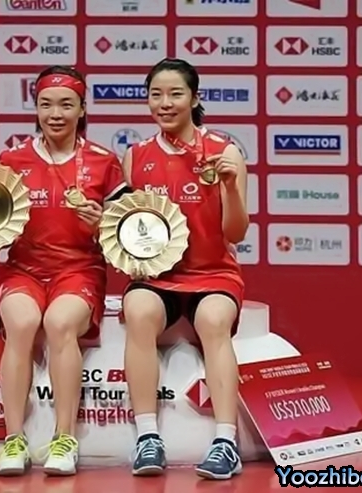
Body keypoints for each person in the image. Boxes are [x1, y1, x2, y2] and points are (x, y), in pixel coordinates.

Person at [0, 66, 129, 477]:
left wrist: (102, 222)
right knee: (22, 324)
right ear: (36, 108)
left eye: (66, 104)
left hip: (79, 270)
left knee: (59, 323)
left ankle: (64, 439)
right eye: (46, 104)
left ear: (82, 109)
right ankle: (14, 440)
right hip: (23, 270)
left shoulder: (104, 162)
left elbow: (127, 233)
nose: (55, 114)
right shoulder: (11, 161)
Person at [121, 58, 249, 480]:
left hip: (214, 273)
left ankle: (226, 442)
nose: (165, 103)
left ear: (194, 98)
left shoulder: (224, 153)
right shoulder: (136, 157)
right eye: (155, 95)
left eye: (175, 94)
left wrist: (230, 188)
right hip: (157, 277)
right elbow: (129, 227)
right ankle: (147, 437)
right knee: (138, 311)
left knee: (213, 320)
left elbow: (235, 231)